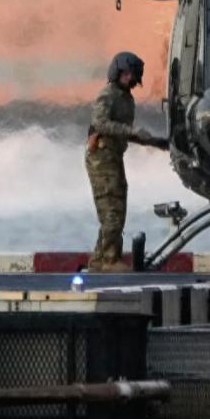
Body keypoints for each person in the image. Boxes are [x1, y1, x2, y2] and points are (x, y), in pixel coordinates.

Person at [85, 51, 160, 273]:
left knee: (116, 207)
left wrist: (155, 142)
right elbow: (100, 124)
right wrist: (132, 131)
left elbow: (123, 132)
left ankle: (99, 260)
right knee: (112, 209)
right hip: (101, 157)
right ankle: (110, 260)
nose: (130, 78)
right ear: (117, 72)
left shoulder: (127, 100)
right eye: (126, 73)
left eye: (132, 75)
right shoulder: (108, 94)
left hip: (113, 157)